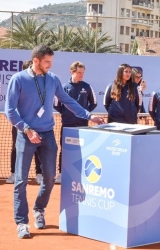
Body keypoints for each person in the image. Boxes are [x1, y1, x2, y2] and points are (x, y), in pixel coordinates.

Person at [5, 44, 104, 239]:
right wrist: (27, 129)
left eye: (51, 61)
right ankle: (22, 222)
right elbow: (10, 110)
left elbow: (67, 101)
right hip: (27, 135)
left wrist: (88, 115)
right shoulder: (18, 80)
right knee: (21, 181)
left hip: (47, 135)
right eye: (47, 62)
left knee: (50, 178)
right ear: (36, 61)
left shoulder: (52, 79)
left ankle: (39, 209)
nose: (50, 65)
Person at [53, 61, 97, 184]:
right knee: (65, 149)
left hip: (83, 125)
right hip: (68, 124)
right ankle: (61, 174)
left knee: (83, 149)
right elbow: (56, 104)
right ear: (72, 72)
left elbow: (93, 103)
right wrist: (67, 113)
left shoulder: (87, 87)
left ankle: (82, 174)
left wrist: (84, 113)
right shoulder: (63, 87)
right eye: (79, 72)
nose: (81, 75)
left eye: (83, 73)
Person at [6, 60, 44, 185]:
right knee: (16, 148)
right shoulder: (18, 81)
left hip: (37, 123)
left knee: (38, 148)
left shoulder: (40, 84)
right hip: (20, 123)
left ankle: (39, 174)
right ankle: (14, 174)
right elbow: (11, 107)